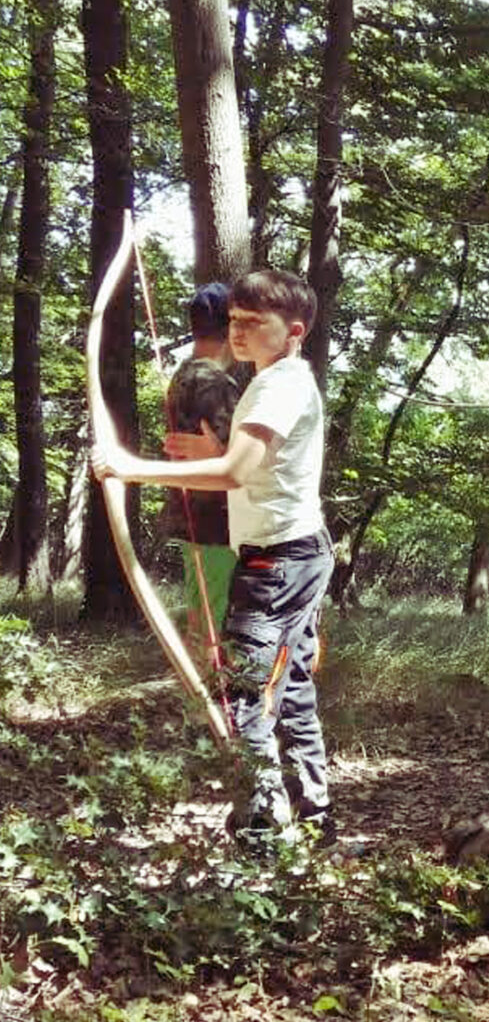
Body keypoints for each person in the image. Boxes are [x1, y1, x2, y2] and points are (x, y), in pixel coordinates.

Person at [94, 269, 334, 846]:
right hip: (299, 553)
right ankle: (313, 813)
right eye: (234, 321)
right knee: (292, 686)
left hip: (276, 563)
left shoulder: (277, 385)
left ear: (293, 331)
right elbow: (253, 462)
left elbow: (233, 473)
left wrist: (131, 468)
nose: (241, 331)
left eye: (256, 323)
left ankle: (260, 830)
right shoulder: (281, 379)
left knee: (248, 694)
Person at [163, 283, 240, 649]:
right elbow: (234, 461)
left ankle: (200, 701)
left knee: (203, 620)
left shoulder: (184, 374)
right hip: (216, 523)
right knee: (214, 628)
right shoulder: (213, 381)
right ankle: (206, 702)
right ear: (230, 329)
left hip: (195, 518)